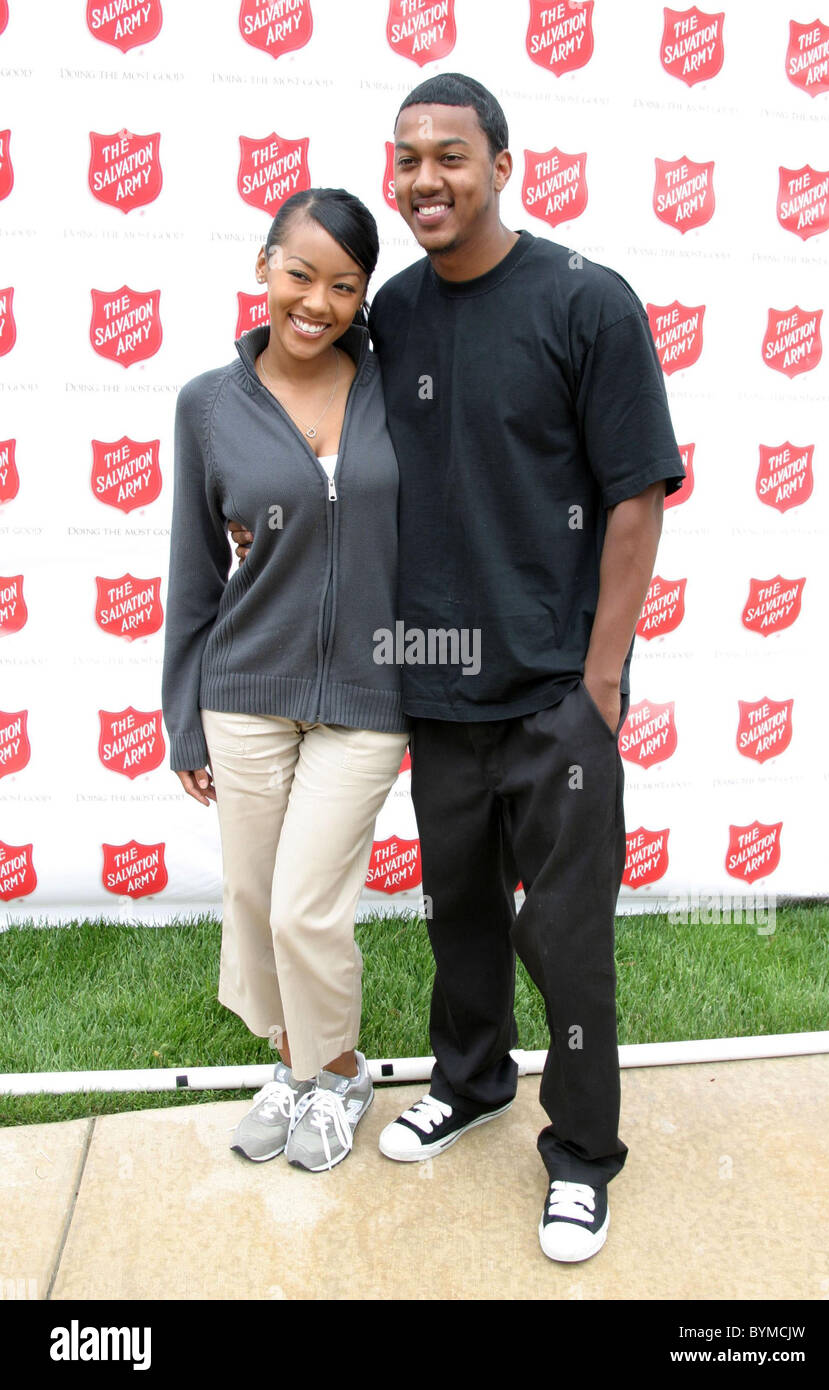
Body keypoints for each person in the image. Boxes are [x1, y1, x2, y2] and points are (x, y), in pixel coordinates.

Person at [227, 73, 685, 1260]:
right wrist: (253, 477)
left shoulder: (588, 303)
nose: (426, 179)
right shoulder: (399, 318)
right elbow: (304, 367)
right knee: (462, 918)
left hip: (552, 698)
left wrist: (600, 681)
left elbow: (636, 495)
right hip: (433, 687)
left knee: (570, 943)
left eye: (452, 156)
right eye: (408, 159)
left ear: (501, 164)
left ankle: (582, 1149)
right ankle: (471, 1079)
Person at [161, 187, 410, 1173]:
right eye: (299, 273)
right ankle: (294, 1071)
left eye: (344, 286)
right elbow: (193, 568)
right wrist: (185, 719)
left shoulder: (400, 389)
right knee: (258, 900)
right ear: (263, 264)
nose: (317, 302)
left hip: (369, 698)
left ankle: (340, 1068)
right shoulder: (208, 405)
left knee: (309, 905)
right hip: (244, 692)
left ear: (363, 296)